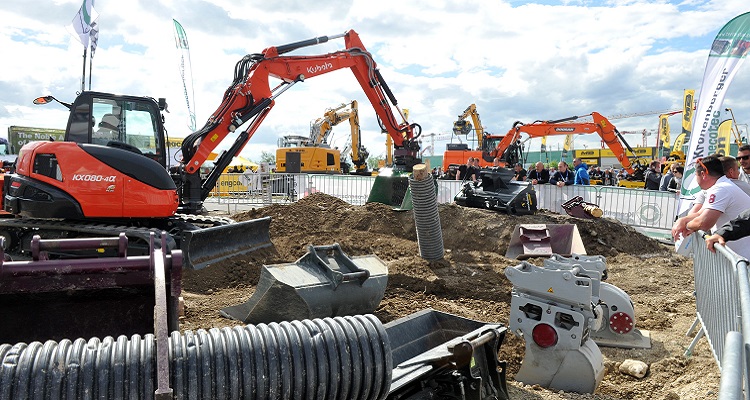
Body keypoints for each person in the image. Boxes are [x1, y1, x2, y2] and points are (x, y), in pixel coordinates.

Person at [672, 154, 750, 259]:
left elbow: (703, 222)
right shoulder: (721, 186)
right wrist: (682, 221)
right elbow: (700, 213)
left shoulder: (721, 189)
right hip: (737, 255)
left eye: (696, 175)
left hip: (742, 257)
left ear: (703, 174)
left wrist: (686, 226)